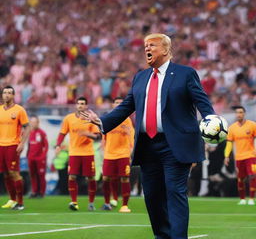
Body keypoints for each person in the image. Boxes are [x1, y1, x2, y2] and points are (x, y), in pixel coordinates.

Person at [81, 33, 215, 239]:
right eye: (145, 46)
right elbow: (127, 106)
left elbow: (201, 101)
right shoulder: (141, 77)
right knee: (151, 196)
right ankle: (161, 236)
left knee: (175, 192)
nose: (147, 49)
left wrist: (211, 120)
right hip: (148, 145)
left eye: (152, 45)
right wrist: (101, 121)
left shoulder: (185, 73)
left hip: (175, 145)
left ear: (166, 49)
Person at [55, 96, 101, 211]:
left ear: (86, 106)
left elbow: (97, 137)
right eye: (79, 103)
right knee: (72, 176)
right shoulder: (69, 118)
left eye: (83, 103)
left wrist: (87, 134)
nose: (80, 105)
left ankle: (91, 203)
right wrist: (58, 145)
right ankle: (74, 202)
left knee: (90, 177)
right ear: (76, 105)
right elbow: (62, 133)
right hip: (74, 152)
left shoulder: (90, 119)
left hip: (88, 153)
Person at [101, 97, 135, 212]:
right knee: (106, 178)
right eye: (116, 103)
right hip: (109, 154)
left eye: (121, 103)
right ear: (112, 105)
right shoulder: (108, 119)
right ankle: (107, 203)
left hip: (123, 154)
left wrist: (131, 150)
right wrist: (103, 148)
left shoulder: (127, 120)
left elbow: (132, 136)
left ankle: (124, 205)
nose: (118, 105)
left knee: (124, 179)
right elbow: (103, 136)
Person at [0, 85, 30, 210]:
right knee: (6, 174)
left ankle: (21, 203)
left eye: (9, 93)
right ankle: (12, 200)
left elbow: (27, 127)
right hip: (1, 145)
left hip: (12, 145)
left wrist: (22, 143)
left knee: (14, 173)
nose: (6, 95)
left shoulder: (19, 110)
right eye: (4, 92)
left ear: (13, 95)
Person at [224, 106, 256, 205]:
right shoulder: (232, 128)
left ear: (244, 113)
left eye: (241, 112)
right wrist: (226, 156)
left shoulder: (252, 125)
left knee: (252, 176)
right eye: (237, 112)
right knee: (240, 178)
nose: (239, 114)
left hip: (251, 155)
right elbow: (229, 143)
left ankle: (251, 198)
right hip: (239, 157)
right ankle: (242, 199)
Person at [27, 115, 48, 198]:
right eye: (31, 122)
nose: (33, 124)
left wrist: (43, 156)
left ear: (38, 123)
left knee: (41, 175)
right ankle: (34, 191)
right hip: (31, 158)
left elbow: (46, 146)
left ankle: (41, 193)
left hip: (40, 158)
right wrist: (27, 155)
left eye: (34, 122)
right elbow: (29, 145)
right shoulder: (29, 133)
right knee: (32, 175)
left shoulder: (42, 133)